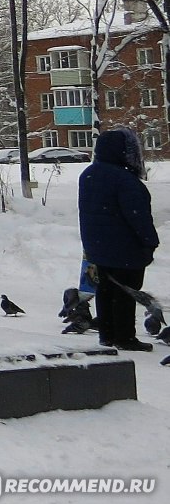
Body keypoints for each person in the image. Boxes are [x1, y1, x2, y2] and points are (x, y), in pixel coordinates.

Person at [78, 126, 159, 350]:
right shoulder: (125, 180)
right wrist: (150, 241)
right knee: (125, 292)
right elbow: (138, 217)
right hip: (125, 247)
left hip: (97, 245)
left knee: (105, 289)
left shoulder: (89, 174)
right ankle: (125, 337)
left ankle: (107, 334)